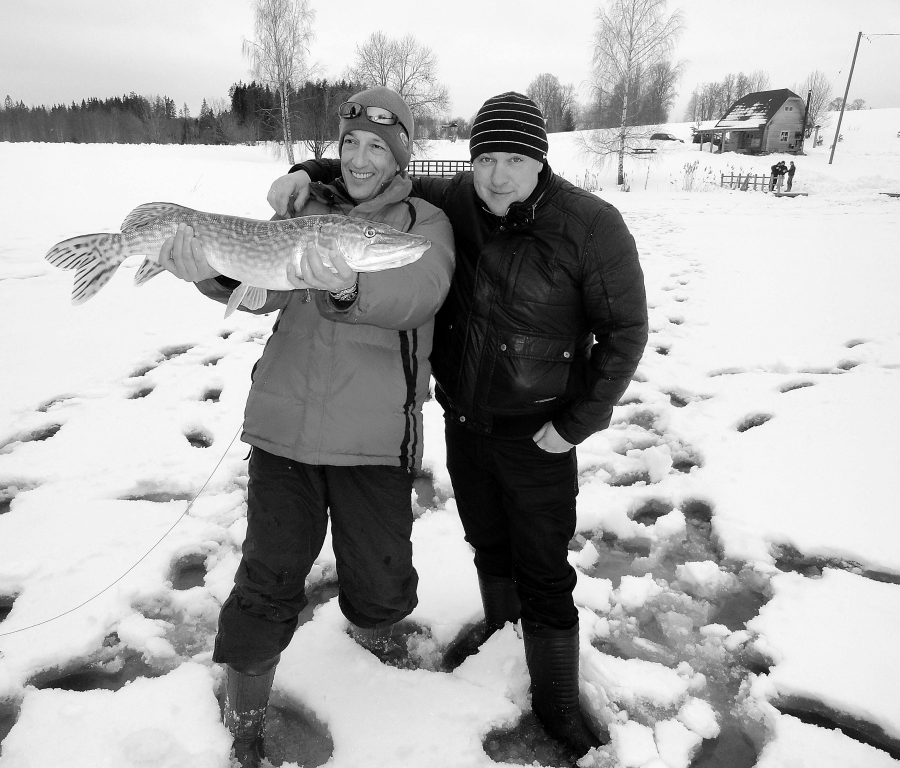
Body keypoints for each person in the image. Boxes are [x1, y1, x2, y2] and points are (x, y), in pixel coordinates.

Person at [267, 91, 648, 759]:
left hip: (541, 432)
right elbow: (371, 169)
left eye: (513, 160)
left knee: (544, 566)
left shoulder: (591, 224)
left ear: (540, 160)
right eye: (485, 159)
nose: (497, 175)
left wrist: (577, 423)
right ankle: (503, 634)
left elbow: (625, 331)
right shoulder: (456, 202)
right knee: (489, 543)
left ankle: (556, 699)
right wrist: (307, 171)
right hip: (469, 421)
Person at [159, 86, 454, 768]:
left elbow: (420, 291)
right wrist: (207, 271)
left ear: (400, 155)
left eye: (378, 146)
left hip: (373, 439)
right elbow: (262, 291)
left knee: (381, 583)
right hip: (285, 430)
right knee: (268, 577)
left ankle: (375, 638)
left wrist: (349, 287)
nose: (359, 158)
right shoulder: (306, 213)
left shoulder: (423, 224)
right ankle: (245, 708)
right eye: (349, 144)